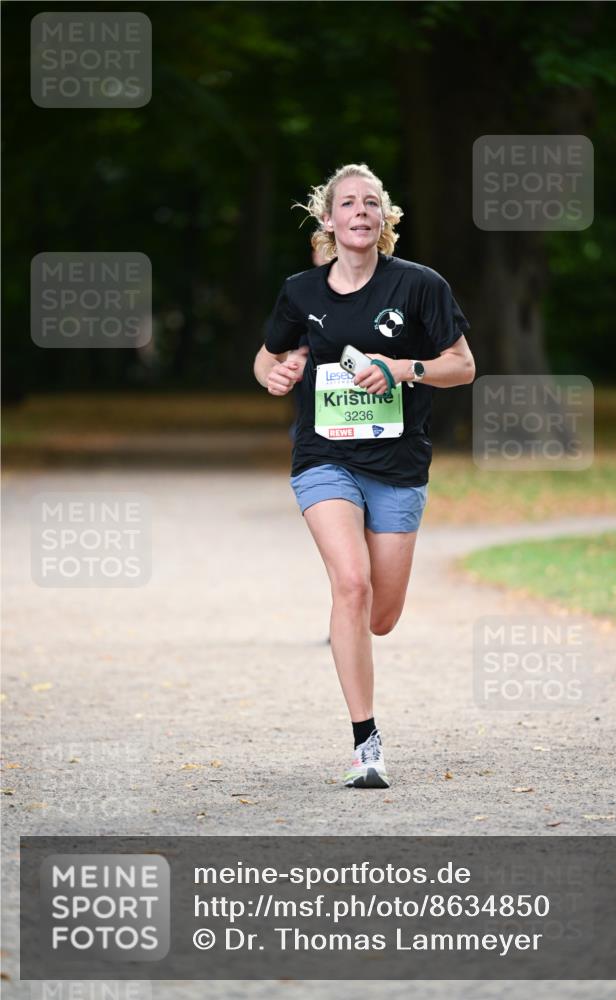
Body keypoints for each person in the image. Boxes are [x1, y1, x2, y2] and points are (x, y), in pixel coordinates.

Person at [253, 163, 475, 788]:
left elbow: (462, 366)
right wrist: (275, 373)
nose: (359, 211)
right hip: (325, 457)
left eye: (371, 203)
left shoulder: (420, 287)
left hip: (399, 466)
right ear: (328, 219)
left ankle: (362, 643)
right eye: (347, 203)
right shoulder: (301, 292)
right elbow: (267, 358)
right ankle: (366, 742)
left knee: (382, 614)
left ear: (384, 221)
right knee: (350, 584)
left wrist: (402, 369)